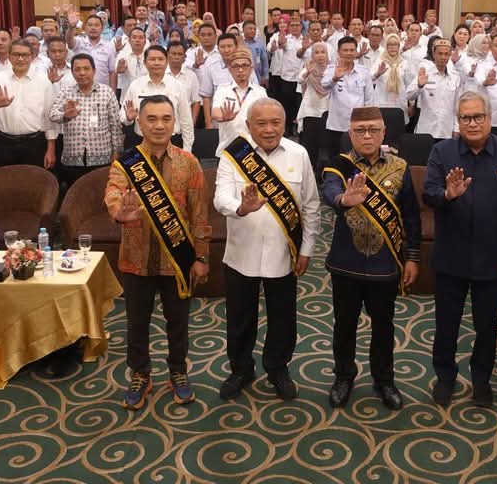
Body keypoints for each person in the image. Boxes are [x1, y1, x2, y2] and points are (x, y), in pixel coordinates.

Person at [105, 95, 210, 410]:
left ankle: (178, 371)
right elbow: (113, 191)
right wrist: (119, 211)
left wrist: (201, 257)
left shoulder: (189, 163)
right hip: (136, 258)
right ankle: (140, 374)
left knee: (178, 322)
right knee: (136, 323)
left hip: (177, 261)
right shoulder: (126, 163)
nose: (159, 125)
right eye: (151, 119)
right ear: (139, 123)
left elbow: (199, 215)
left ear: (174, 123)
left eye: (166, 118)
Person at [423, 91, 497, 407]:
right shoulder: (442, 152)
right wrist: (448, 195)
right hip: (451, 255)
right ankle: (445, 377)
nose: (472, 123)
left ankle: (482, 380)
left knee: (486, 327)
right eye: (465, 118)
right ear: (458, 121)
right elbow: (428, 195)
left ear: (489, 118)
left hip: (492, 257)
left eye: (478, 117)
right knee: (446, 325)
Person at [214, 99, 320, 401]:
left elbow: (311, 205)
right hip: (241, 254)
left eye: (276, 123)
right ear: (249, 126)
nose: (270, 129)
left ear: (286, 124)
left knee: (283, 318)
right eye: (261, 123)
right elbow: (220, 198)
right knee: (239, 318)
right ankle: (240, 369)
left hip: (284, 254)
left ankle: (277, 368)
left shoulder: (299, 154)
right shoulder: (233, 155)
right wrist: (241, 207)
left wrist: (306, 249)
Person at [320, 107, 421, 410]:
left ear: (383, 133)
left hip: (384, 264)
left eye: (373, 130)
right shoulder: (338, 166)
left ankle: (384, 379)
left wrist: (412, 257)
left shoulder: (400, 166)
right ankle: (343, 377)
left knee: (384, 326)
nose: (367, 136)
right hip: (346, 263)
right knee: (344, 325)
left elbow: (411, 216)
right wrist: (344, 199)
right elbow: (330, 192)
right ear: (350, 134)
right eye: (360, 130)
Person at [49, 53, 123, 187]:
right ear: (72, 73)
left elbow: (115, 126)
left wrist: (116, 153)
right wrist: (65, 116)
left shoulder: (107, 93)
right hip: (73, 157)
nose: (82, 73)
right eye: (77, 69)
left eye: (86, 68)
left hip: (102, 156)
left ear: (94, 71)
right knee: (74, 193)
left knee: (99, 194)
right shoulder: (66, 92)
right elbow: (52, 115)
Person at [0, 39, 58, 169]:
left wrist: (51, 149)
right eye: (16, 54)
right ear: (9, 56)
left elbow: (49, 118)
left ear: (32, 56)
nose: (20, 59)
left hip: (35, 143)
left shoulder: (43, 81)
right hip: (3, 143)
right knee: (4, 180)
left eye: (25, 55)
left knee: (34, 180)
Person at [121, 45, 195, 153]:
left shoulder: (177, 86)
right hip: (142, 142)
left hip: (172, 142)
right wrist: (128, 118)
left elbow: (186, 121)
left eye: (160, 59)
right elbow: (123, 116)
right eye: (152, 59)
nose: (156, 63)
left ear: (166, 62)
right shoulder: (135, 86)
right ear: (145, 63)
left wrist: (187, 150)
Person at [322, 36, 375, 159]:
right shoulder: (331, 69)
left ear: (356, 52)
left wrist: (368, 123)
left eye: (352, 50)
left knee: (358, 159)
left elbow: (369, 100)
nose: (349, 53)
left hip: (358, 126)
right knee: (336, 160)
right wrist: (335, 78)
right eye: (345, 50)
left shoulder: (363, 72)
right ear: (338, 52)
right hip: (336, 125)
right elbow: (324, 87)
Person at [212, 46, 268, 155]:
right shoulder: (222, 90)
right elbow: (215, 113)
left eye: (244, 66)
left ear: (251, 69)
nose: (240, 70)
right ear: (230, 69)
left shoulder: (260, 92)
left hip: (255, 150)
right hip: (228, 149)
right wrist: (223, 117)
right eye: (236, 66)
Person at [405, 38, 460, 141]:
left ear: (450, 55)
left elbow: (457, 105)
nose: (443, 57)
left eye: (446, 54)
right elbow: (409, 95)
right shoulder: (425, 74)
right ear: (434, 54)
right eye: (440, 53)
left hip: (446, 131)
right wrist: (419, 86)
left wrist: (457, 128)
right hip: (426, 130)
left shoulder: (455, 77)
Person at [297, 42, 332, 169]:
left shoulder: (332, 69)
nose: (320, 55)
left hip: (327, 110)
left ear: (327, 54)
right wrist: (307, 72)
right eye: (316, 52)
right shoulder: (309, 67)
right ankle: (309, 171)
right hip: (310, 110)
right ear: (312, 55)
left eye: (323, 52)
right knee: (310, 145)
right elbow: (300, 79)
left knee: (325, 145)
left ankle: (322, 172)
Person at [270, 17, 304, 134]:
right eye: (292, 25)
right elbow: (282, 44)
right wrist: (281, 41)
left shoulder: (305, 39)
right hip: (287, 77)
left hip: (301, 78)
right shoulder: (286, 39)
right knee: (286, 104)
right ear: (289, 27)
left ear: (301, 27)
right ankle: (287, 128)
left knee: (299, 105)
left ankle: (299, 129)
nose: (295, 27)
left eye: (297, 25)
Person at [66, 13, 118, 90]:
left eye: (96, 25)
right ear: (85, 28)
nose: (93, 28)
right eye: (90, 25)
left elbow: (112, 72)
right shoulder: (79, 42)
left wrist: (112, 92)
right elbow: (69, 42)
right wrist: (71, 27)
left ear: (102, 28)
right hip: (80, 89)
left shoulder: (109, 46)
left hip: (102, 91)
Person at [114, 21, 148, 96]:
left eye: (141, 38)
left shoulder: (149, 56)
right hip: (128, 96)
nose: (137, 40)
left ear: (145, 41)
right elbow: (118, 70)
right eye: (134, 37)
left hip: (146, 96)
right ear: (129, 40)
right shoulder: (123, 54)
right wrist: (120, 67)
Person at [241, 20, 270, 84]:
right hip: (243, 76)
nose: (253, 31)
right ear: (243, 30)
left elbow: (264, 61)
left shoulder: (260, 44)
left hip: (258, 77)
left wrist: (265, 76)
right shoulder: (240, 43)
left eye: (254, 29)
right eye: (250, 29)